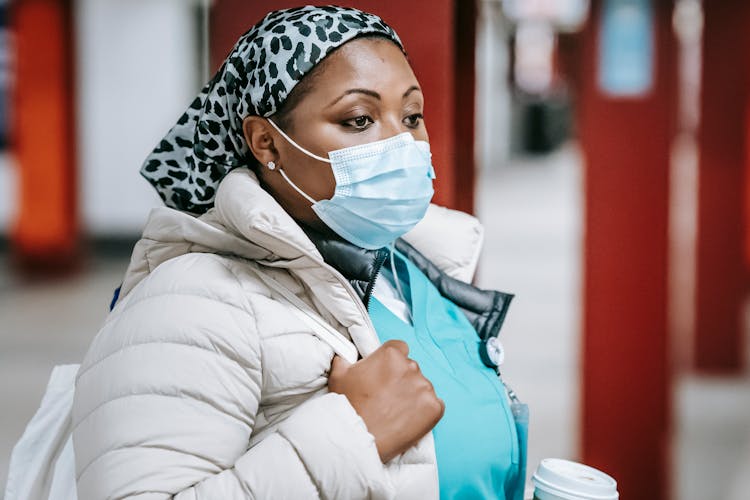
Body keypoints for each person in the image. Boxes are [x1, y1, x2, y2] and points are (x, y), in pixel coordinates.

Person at [72, 6, 522, 499]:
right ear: (266, 143)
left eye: (412, 115)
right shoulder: (192, 304)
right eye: (358, 119)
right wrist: (353, 436)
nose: (404, 142)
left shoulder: (412, 271)